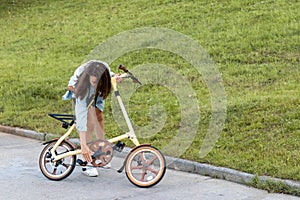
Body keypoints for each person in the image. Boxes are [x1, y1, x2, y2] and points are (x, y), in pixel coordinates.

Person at [63, 60, 120, 177]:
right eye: (94, 82)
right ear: (89, 77)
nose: (95, 84)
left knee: (98, 117)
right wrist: (83, 145)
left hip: (96, 92)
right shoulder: (81, 86)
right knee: (88, 121)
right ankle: (87, 161)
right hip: (79, 90)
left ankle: (100, 152)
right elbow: (81, 119)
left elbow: (109, 75)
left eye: (98, 83)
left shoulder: (104, 71)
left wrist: (115, 77)